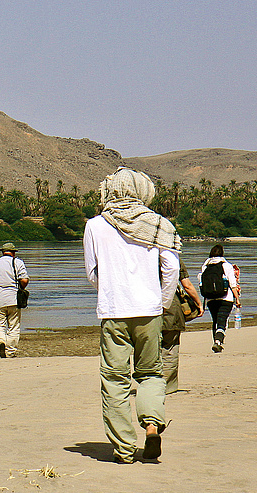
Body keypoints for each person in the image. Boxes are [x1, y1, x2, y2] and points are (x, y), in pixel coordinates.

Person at [83, 166, 179, 463]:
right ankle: (151, 427)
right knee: (151, 373)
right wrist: (161, 303)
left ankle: (124, 448)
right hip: (149, 312)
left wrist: (112, 289)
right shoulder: (159, 225)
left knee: (115, 380)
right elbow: (172, 269)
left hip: (114, 312)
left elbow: (92, 273)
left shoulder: (95, 225)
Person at [0, 242, 30, 358]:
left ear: (2, 252)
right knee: (13, 327)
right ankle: (10, 352)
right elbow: (24, 280)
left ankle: (0, 342)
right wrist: (22, 287)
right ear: (13, 252)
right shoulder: (18, 262)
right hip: (14, 300)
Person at [162, 267, 200, 394]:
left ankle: (149, 384)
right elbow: (187, 285)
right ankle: (167, 386)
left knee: (149, 350)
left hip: (145, 310)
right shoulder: (172, 256)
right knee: (170, 349)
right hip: (171, 310)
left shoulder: (140, 254)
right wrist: (198, 303)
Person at [198, 245, 241, 353]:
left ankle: (216, 341)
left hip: (211, 299)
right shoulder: (226, 265)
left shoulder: (205, 266)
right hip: (226, 298)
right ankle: (218, 342)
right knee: (222, 321)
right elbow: (232, 284)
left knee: (215, 321)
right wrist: (238, 299)